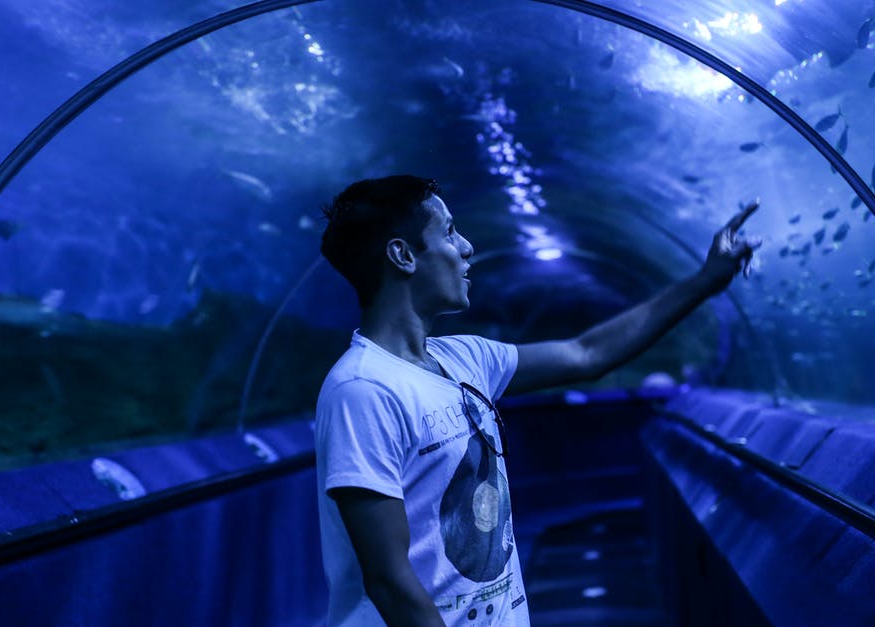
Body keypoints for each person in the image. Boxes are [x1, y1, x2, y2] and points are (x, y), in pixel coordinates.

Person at [315, 175, 759, 626]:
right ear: (403, 255)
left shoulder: (465, 358)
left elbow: (588, 353)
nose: (467, 247)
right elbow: (389, 580)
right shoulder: (363, 390)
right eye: (448, 232)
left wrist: (706, 281)